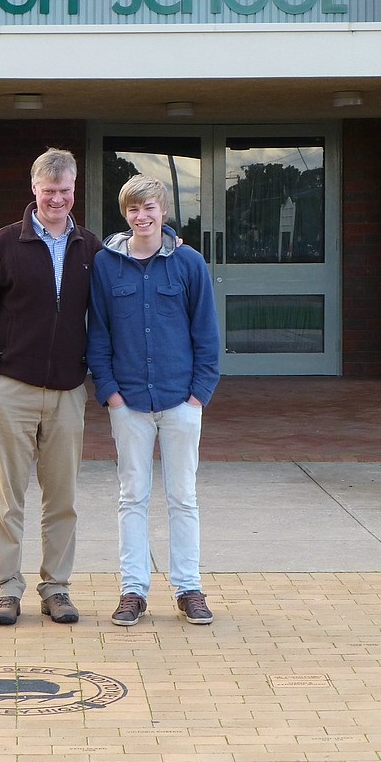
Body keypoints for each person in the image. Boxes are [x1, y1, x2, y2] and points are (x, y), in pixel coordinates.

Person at [0, 147, 102, 627]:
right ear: (34, 190)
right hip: (10, 390)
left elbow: (109, 309)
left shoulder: (90, 248)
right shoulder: (4, 243)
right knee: (7, 499)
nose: (56, 199)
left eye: (64, 190)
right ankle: (6, 589)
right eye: (48, 191)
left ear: (74, 189)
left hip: (67, 392)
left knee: (62, 499)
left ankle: (57, 588)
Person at [87, 174, 220, 628]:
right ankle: (133, 591)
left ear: (163, 211)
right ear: (124, 214)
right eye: (133, 209)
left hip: (181, 400)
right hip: (128, 403)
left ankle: (188, 588)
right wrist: (110, 393)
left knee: (183, 497)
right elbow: (98, 332)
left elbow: (206, 332)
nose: (141, 216)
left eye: (149, 208)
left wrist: (199, 395)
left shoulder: (188, 262)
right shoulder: (106, 265)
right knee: (132, 497)